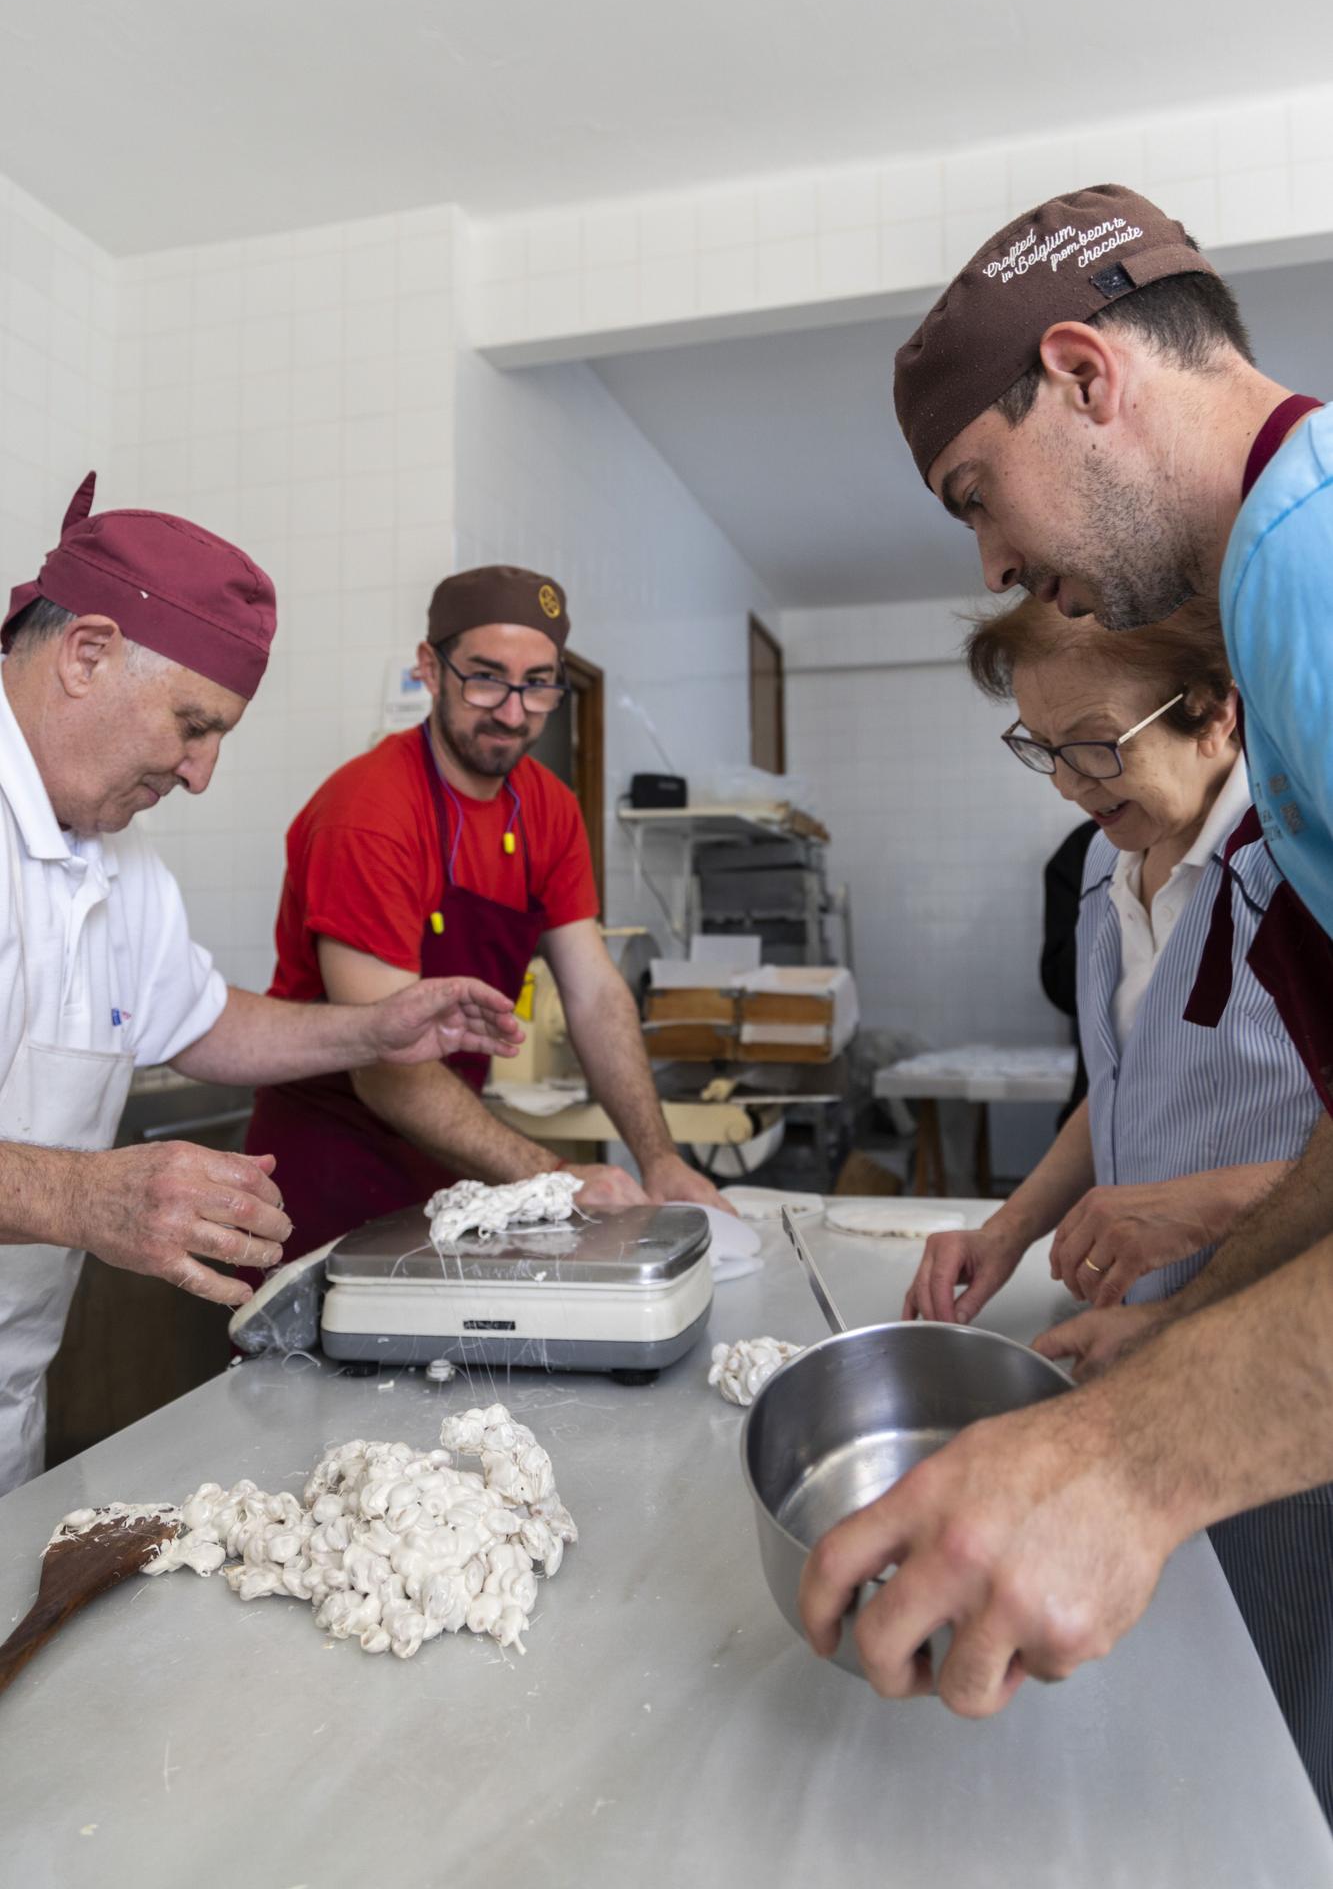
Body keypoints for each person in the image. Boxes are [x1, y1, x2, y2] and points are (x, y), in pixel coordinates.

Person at [798, 184, 1333, 1739]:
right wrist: (1187, 1324)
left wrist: (1128, 1457)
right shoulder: (1278, 574)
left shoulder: (1309, 577)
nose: (986, 562)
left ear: (1087, 374)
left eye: (978, 492)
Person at [0, 475, 523, 1496]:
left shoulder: (120, 859)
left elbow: (203, 1023)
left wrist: (376, 1027)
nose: (199, 774)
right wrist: (75, 1193)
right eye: (193, 725)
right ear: (88, 654)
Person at [901, 592, 1331, 1807]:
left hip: (1285, 1362)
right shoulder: (1104, 862)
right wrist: (1005, 1224)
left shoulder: (1301, 875)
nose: (1066, 784)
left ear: (1216, 715)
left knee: (1272, 1710)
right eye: (1041, 748)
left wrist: (1195, 1205)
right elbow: (1119, 1082)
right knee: (1157, 1688)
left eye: (1093, 743)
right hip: (1140, 1340)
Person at [247, 564, 727, 1258]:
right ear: (429, 669)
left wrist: (659, 1158)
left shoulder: (550, 808)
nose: (511, 711)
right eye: (485, 677)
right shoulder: (370, 815)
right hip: (328, 1162)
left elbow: (593, 993)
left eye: (538, 685)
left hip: (450, 1151)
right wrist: (554, 1177)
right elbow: (384, 1062)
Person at [1039, 818, 1094, 1125]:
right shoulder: (1084, 850)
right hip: (1100, 1100)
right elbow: (1060, 986)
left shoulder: (1252, 840)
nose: (1068, 789)